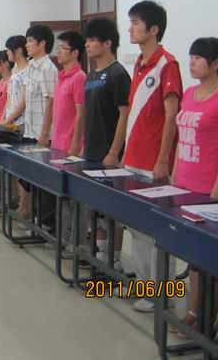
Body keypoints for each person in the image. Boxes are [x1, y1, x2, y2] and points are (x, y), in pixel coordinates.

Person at [122, 0, 184, 313]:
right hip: (133, 158)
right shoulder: (139, 64)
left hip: (152, 162)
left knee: (156, 231)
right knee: (137, 228)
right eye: (131, 22)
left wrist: (162, 160)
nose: (130, 28)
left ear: (154, 29)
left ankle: (164, 293)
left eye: (136, 22)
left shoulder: (166, 64)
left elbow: (171, 115)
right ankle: (146, 286)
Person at [171, 37, 218, 336]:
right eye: (190, 56)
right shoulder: (189, 94)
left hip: (209, 189)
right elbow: (182, 139)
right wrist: (174, 176)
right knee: (193, 254)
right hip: (184, 185)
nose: (191, 62)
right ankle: (194, 312)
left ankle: (209, 319)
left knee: (213, 258)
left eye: (198, 58)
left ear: (216, 63)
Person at [83, 17, 131, 272]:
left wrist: (114, 152)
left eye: (92, 40)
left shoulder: (118, 74)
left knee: (112, 208)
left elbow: (124, 114)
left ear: (107, 43)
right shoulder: (92, 73)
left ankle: (115, 259)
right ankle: (102, 256)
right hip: (91, 151)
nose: (87, 45)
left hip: (109, 154)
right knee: (95, 207)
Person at [15, 25, 57, 220]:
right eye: (27, 41)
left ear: (42, 44)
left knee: (43, 182)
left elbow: (51, 102)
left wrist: (45, 134)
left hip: (42, 135)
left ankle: (45, 222)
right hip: (30, 132)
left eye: (30, 41)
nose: (27, 45)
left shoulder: (48, 69)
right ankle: (31, 215)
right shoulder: (31, 66)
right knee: (28, 179)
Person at [51, 30, 87, 254]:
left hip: (72, 148)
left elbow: (81, 114)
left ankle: (77, 243)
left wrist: (75, 145)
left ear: (75, 53)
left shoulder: (79, 78)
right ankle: (63, 239)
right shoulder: (61, 76)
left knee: (75, 199)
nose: (58, 52)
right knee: (62, 196)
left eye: (62, 48)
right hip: (58, 145)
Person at [1, 35, 28, 133]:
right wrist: (3, 119)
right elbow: (10, 98)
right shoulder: (14, 70)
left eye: (8, 50)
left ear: (19, 50)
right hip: (10, 122)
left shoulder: (27, 71)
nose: (7, 53)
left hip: (21, 123)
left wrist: (7, 120)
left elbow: (23, 102)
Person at [0, 50, 12, 124]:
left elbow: (8, 105)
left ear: (6, 64)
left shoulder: (11, 82)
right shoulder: (1, 81)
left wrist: (2, 122)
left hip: (5, 124)